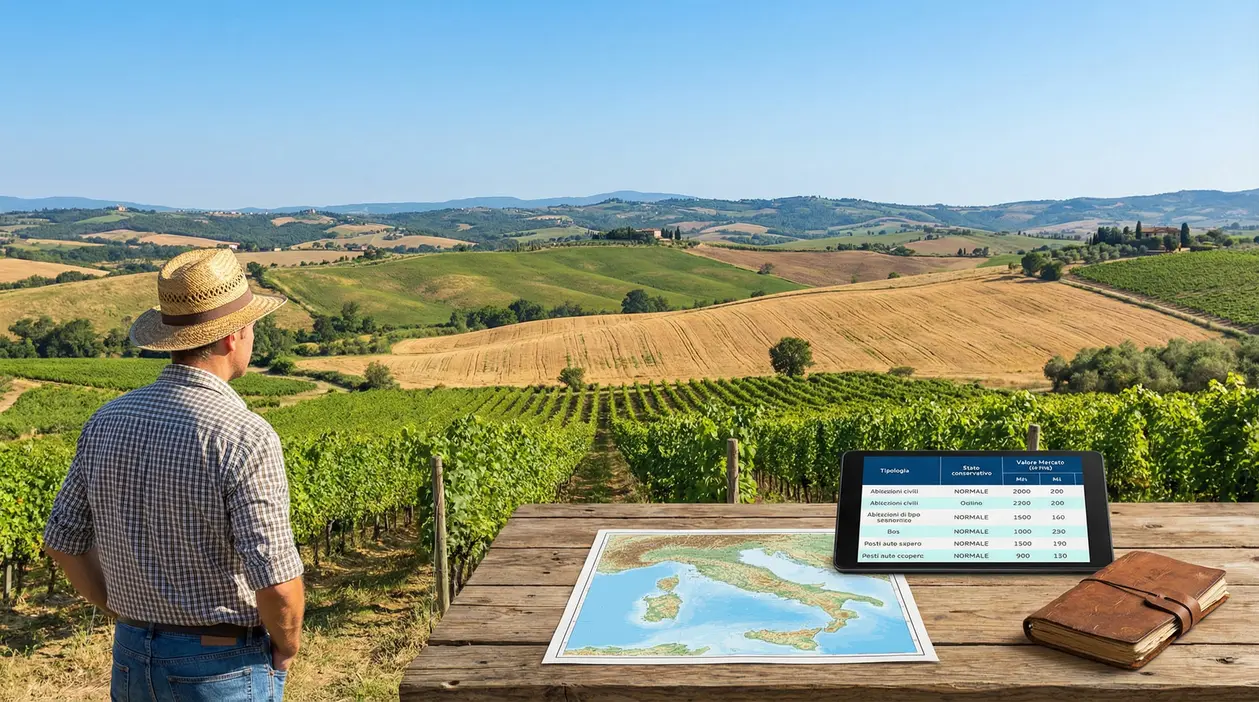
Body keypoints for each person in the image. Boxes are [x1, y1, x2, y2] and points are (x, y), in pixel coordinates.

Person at [43, 249, 305, 701]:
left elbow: (61, 542)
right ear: (231, 337)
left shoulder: (106, 420)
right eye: (252, 328)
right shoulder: (245, 435)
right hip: (221, 666)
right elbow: (277, 581)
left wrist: (128, 614)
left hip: (129, 655)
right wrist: (287, 645)